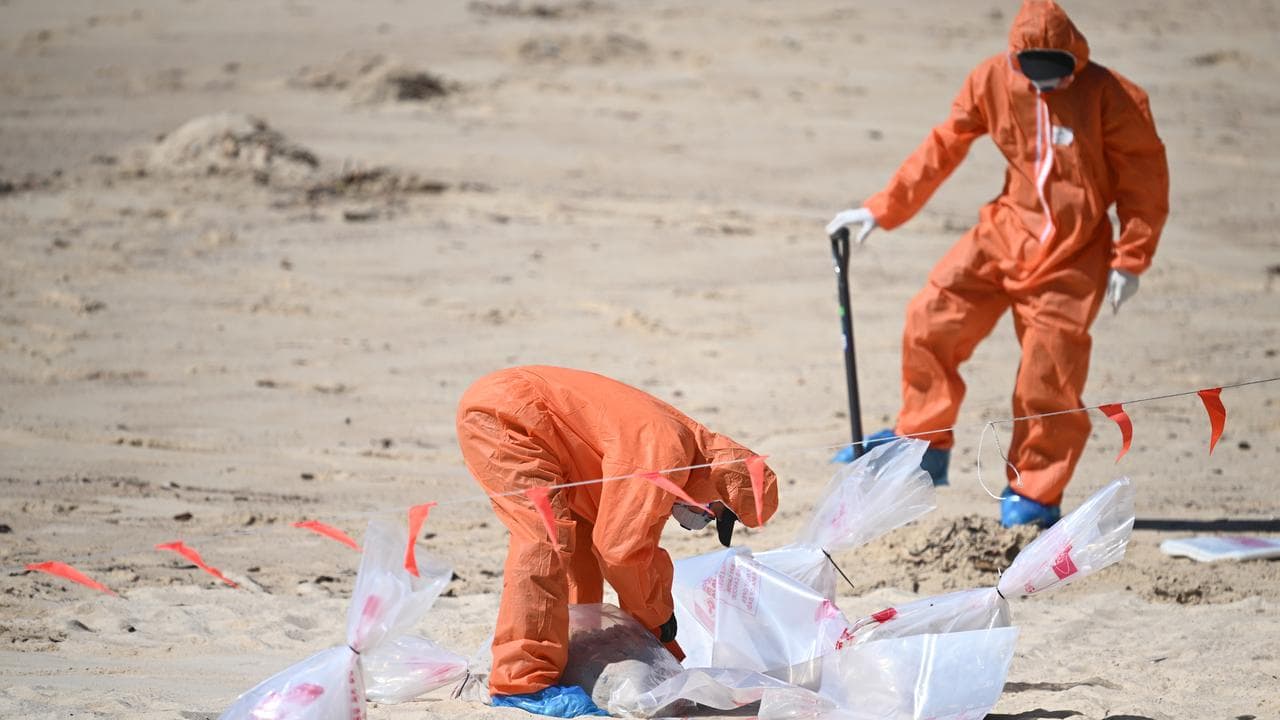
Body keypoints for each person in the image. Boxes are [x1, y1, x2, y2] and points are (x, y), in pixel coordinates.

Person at [827, 0, 1168, 527]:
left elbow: (1144, 179)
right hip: (1005, 231)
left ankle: (1034, 492)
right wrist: (883, 207)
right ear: (1014, 61)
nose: (1046, 86)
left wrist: (1131, 258)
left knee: (1047, 374)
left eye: (1057, 75)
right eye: (1033, 75)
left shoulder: (1114, 96)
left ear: (1074, 59)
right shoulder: (991, 79)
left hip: (1074, 255)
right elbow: (945, 144)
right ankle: (923, 440)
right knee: (931, 317)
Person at [456, 365, 779, 717]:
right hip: (509, 417)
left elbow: (609, 540)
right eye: (708, 517)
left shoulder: (683, 456)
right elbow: (622, 550)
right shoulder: (665, 453)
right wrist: (657, 626)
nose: (696, 523)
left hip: (542, 428)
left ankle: (575, 645)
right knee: (545, 538)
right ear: (717, 493)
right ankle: (520, 682)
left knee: (578, 537)